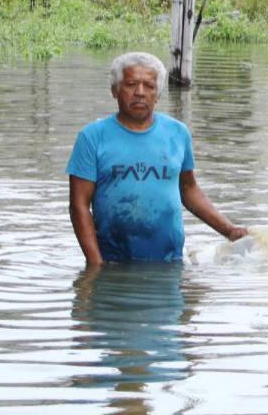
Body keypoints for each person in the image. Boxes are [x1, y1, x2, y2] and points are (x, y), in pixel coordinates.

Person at [67, 52, 247, 265]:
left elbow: (188, 189)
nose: (140, 93)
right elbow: (78, 206)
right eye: (131, 84)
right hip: (113, 263)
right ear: (115, 90)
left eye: (149, 86)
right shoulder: (92, 137)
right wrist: (96, 265)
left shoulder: (178, 133)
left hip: (169, 262)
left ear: (158, 94)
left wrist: (229, 230)